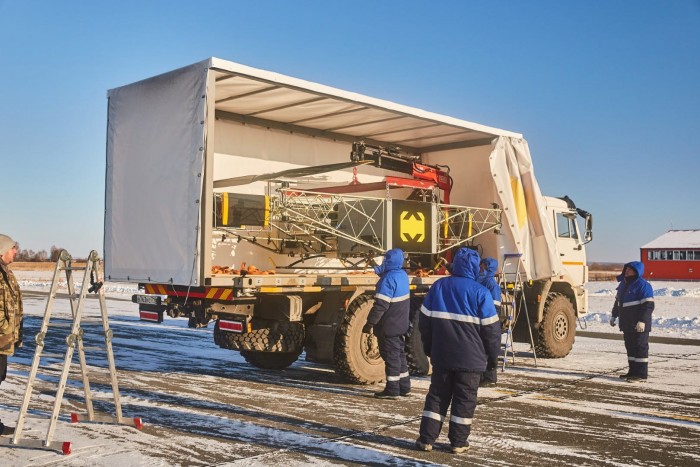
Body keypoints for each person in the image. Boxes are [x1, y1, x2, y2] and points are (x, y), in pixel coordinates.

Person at [416, 248, 501, 454]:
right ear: (475, 267)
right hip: (471, 362)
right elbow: (492, 332)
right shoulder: (481, 292)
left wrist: (430, 348)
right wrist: (492, 360)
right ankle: (458, 443)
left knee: (437, 397)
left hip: (442, 356)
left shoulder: (438, 287)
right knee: (464, 400)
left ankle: (426, 440)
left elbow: (424, 322)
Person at [363, 248, 411, 399]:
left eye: (386, 259)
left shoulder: (387, 280)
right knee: (400, 355)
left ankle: (392, 390)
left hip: (389, 326)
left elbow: (380, 306)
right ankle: (404, 387)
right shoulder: (401, 275)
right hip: (400, 325)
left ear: (389, 261)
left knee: (391, 358)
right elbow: (385, 272)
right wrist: (372, 263)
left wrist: (369, 323)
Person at [610, 261, 654, 382]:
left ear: (636, 271)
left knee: (640, 348)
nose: (627, 271)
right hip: (627, 323)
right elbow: (618, 302)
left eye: (630, 269)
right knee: (630, 348)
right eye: (626, 269)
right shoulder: (623, 284)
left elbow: (648, 305)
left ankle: (641, 375)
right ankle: (632, 372)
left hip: (639, 324)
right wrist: (614, 315)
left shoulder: (643, 285)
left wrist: (642, 321)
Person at [1, 234, 23, 436]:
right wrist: (4, 326)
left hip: (4, 339)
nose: (15, 251)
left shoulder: (7, 273)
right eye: (12, 248)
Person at [478, 257, 502, 387]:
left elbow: (495, 305)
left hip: (489, 319)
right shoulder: (481, 280)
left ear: (488, 268)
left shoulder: (491, 284)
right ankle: (483, 376)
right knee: (481, 348)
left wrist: (489, 320)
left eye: (482, 266)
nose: (480, 268)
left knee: (488, 347)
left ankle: (490, 378)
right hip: (482, 318)